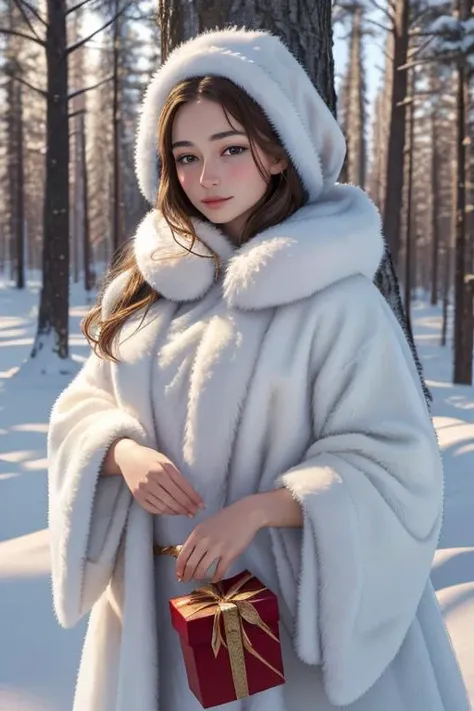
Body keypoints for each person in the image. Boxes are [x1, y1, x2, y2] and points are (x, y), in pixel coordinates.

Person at [47, 28, 470, 711]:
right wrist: (121, 453)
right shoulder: (148, 290)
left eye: (231, 149)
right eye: (185, 156)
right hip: (161, 623)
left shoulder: (337, 301)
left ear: (278, 153)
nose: (205, 177)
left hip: (296, 628)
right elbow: (82, 408)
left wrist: (259, 511)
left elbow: (397, 463)